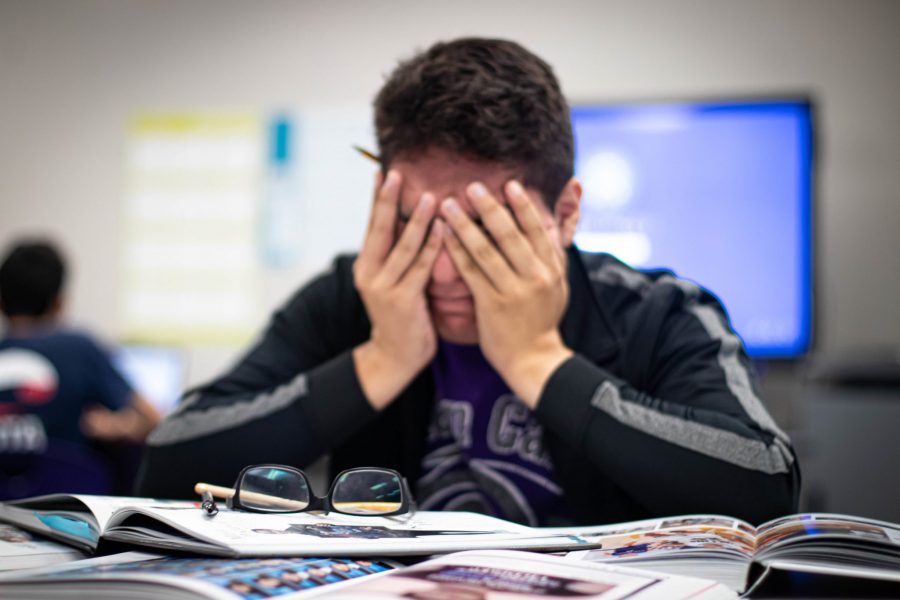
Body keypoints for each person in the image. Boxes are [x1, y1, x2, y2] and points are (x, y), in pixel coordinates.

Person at [137, 38, 800, 526]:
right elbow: (165, 464)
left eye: (484, 231)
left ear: (564, 213)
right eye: (418, 225)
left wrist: (539, 360)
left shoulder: (656, 313)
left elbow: (765, 489)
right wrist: (381, 360)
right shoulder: (352, 299)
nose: (446, 271)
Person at [0, 239, 160, 499]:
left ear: (2, 301)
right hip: (64, 517)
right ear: (59, 302)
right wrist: (119, 426)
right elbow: (154, 421)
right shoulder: (80, 349)